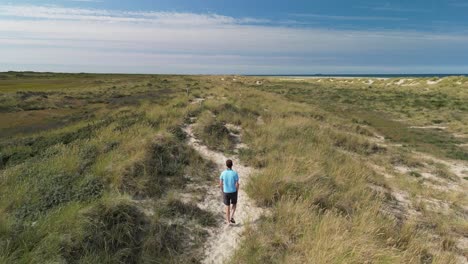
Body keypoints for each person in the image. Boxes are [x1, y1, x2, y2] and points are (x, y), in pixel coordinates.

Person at [219, 159, 239, 225]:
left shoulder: (223, 173)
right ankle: (231, 217)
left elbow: (221, 184)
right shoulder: (235, 173)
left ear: (226, 165)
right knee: (234, 204)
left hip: (226, 192)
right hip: (233, 191)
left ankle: (228, 221)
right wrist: (237, 191)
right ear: (232, 165)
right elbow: (237, 184)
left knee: (227, 206)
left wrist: (222, 190)